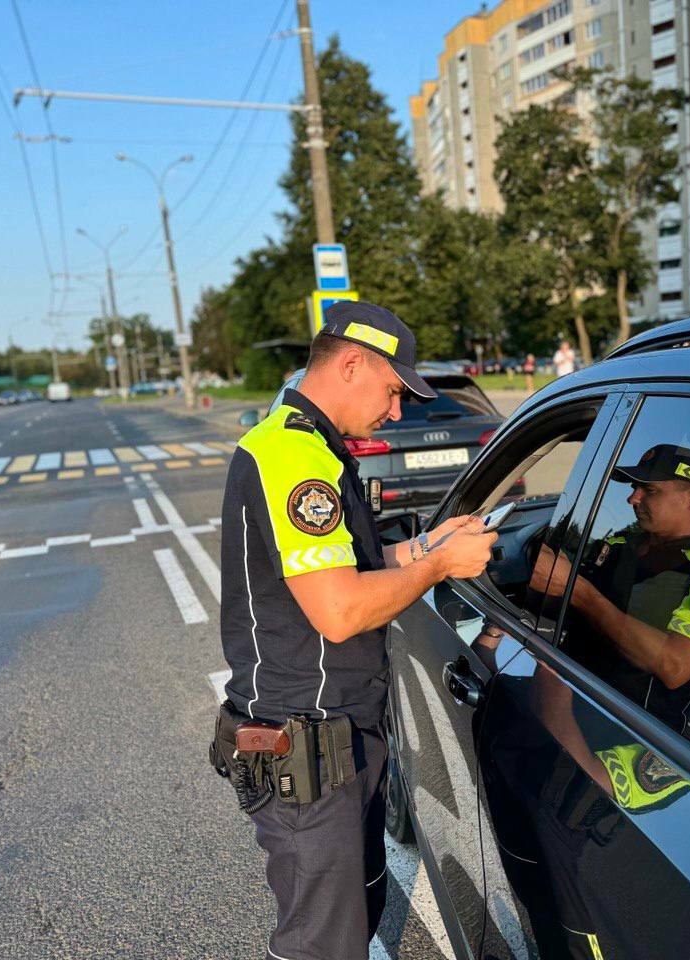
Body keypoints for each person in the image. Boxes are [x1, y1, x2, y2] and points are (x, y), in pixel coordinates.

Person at [213, 301, 497, 960]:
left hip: (335, 740)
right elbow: (340, 610)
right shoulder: (292, 455)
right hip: (305, 748)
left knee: (353, 918)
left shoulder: (313, 448)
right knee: (323, 945)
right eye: (394, 390)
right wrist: (438, 566)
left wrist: (428, 544)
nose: (398, 412)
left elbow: (352, 567)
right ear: (350, 364)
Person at [531, 443, 690, 733]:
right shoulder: (619, 546)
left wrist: (579, 590)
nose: (632, 499)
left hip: (628, 739)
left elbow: (675, 667)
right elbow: (567, 610)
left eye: (650, 490)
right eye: (634, 487)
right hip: (558, 700)